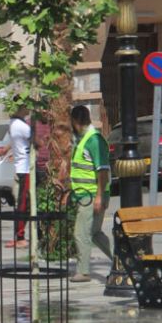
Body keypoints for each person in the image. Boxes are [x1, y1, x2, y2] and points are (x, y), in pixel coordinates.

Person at [69, 105, 112, 283]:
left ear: (75, 121)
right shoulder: (82, 139)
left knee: (81, 233)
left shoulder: (93, 140)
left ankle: (83, 271)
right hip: (85, 195)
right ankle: (122, 260)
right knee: (94, 233)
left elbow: (101, 170)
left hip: (92, 195)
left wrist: (99, 197)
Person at [1, 106, 32, 248]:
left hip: (22, 168)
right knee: (23, 204)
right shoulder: (20, 125)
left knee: (23, 203)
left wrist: (9, 148)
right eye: (26, 105)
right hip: (25, 169)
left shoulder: (14, 123)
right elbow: (37, 139)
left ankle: (20, 235)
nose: (29, 108)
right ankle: (20, 237)